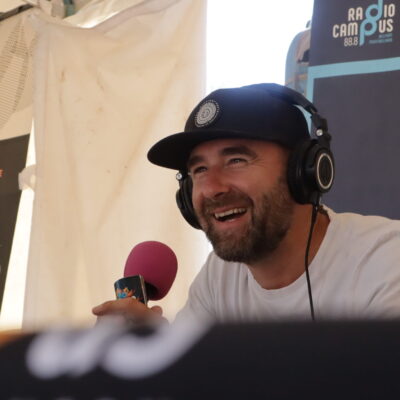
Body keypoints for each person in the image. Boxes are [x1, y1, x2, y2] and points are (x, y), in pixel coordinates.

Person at [93, 83, 400, 323]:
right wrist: (155, 358)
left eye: (236, 160)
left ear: (303, 171)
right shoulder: (219, 277)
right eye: (199, 170)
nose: (212, 188)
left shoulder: (385, 261)